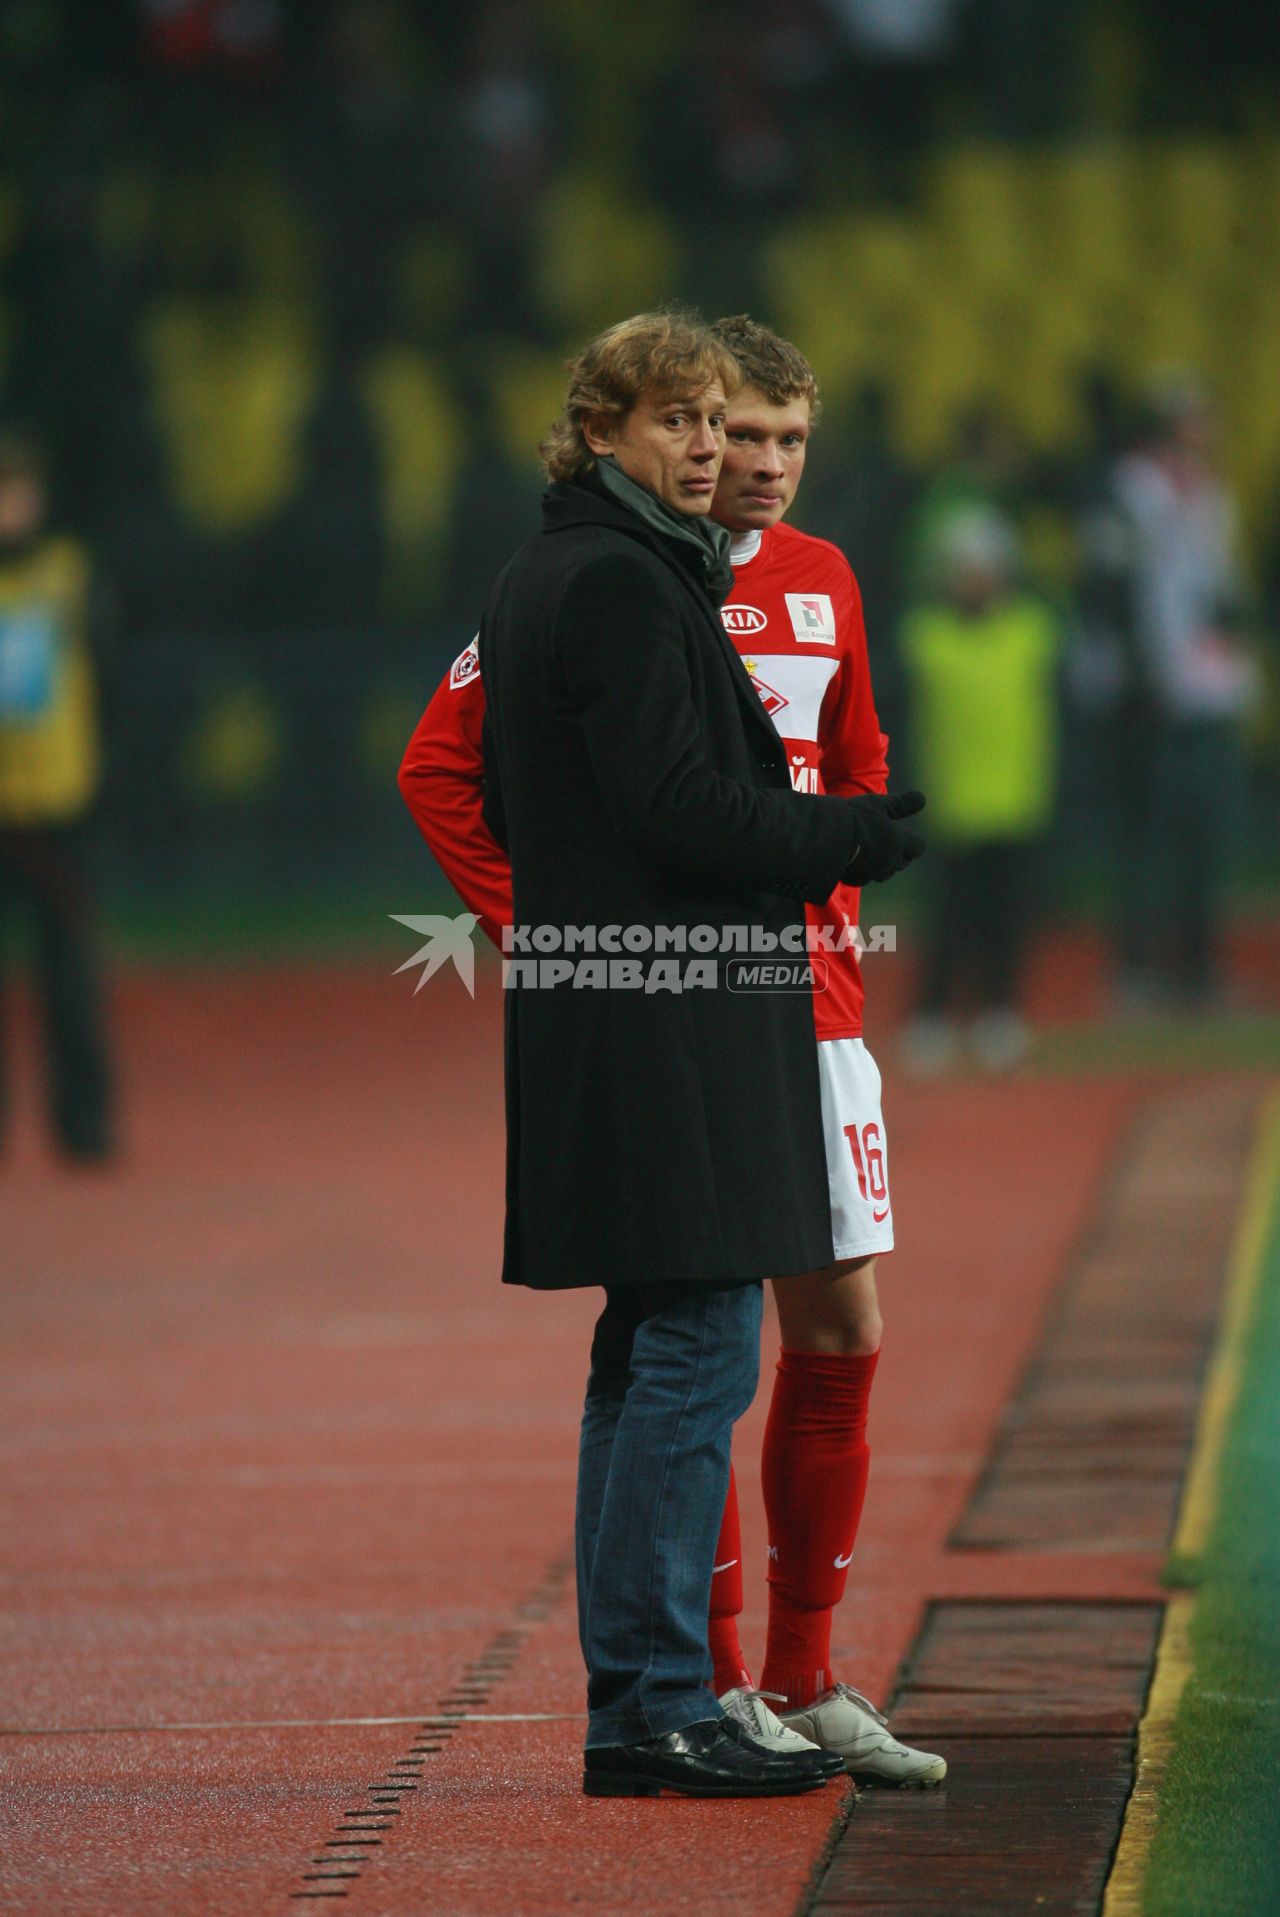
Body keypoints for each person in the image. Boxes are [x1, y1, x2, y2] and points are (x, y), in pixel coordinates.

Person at [401, 314, 944, 1787]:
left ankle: (791, 1675)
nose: (739, 458)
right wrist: (552, 923)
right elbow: (477, 773)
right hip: (692, 1004)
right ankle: (679, 1691)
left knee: (794, 1335)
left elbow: (857, 759)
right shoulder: (630, 582)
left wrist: (832, 863)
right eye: (711, 427)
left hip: (795, 1010)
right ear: (612, 432)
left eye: (769, 437)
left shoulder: (807, 578)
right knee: (698, 1342)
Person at [899, 507, 1062, 1074]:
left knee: (1007, 920)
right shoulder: (926, 637)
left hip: (1017, 802)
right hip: (951, 804)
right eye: (964, 568)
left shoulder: (1031, 631)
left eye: (984, 567)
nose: (975, 578)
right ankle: (932, 1017)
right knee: (946, 921)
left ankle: (1000, 1014)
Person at [0, 430, 114, 1161]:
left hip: (57, 800)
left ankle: (84, 1125)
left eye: (15, 490)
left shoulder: (72, 574)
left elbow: (108, 671)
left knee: (69, 972)